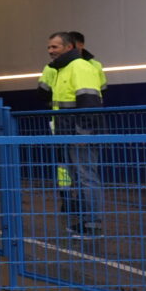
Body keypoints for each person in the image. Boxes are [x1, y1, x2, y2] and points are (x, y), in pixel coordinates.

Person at [43, 31, 105, 237]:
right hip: (69, 134)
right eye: (49, 47)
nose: (50, 51)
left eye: (55, 47)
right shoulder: (63, 68)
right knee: (80, 178)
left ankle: (93, 224)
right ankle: (87, 221)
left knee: (86, 177)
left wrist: (83, 133)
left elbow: (89, 101)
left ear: (69, 47)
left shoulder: (79, 67)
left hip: (79, 135)